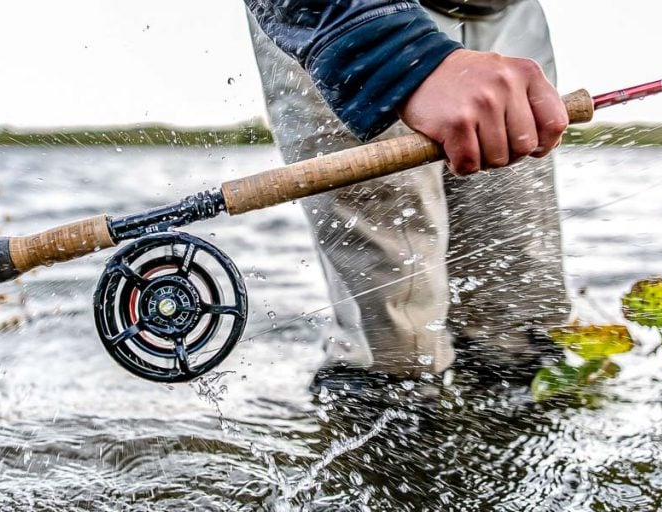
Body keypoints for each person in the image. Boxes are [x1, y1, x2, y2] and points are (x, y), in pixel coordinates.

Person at [243, 0, 570, 385]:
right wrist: (395, 53)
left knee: (517, 333)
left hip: (505, 14)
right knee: (398, 356)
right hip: (339, 21)